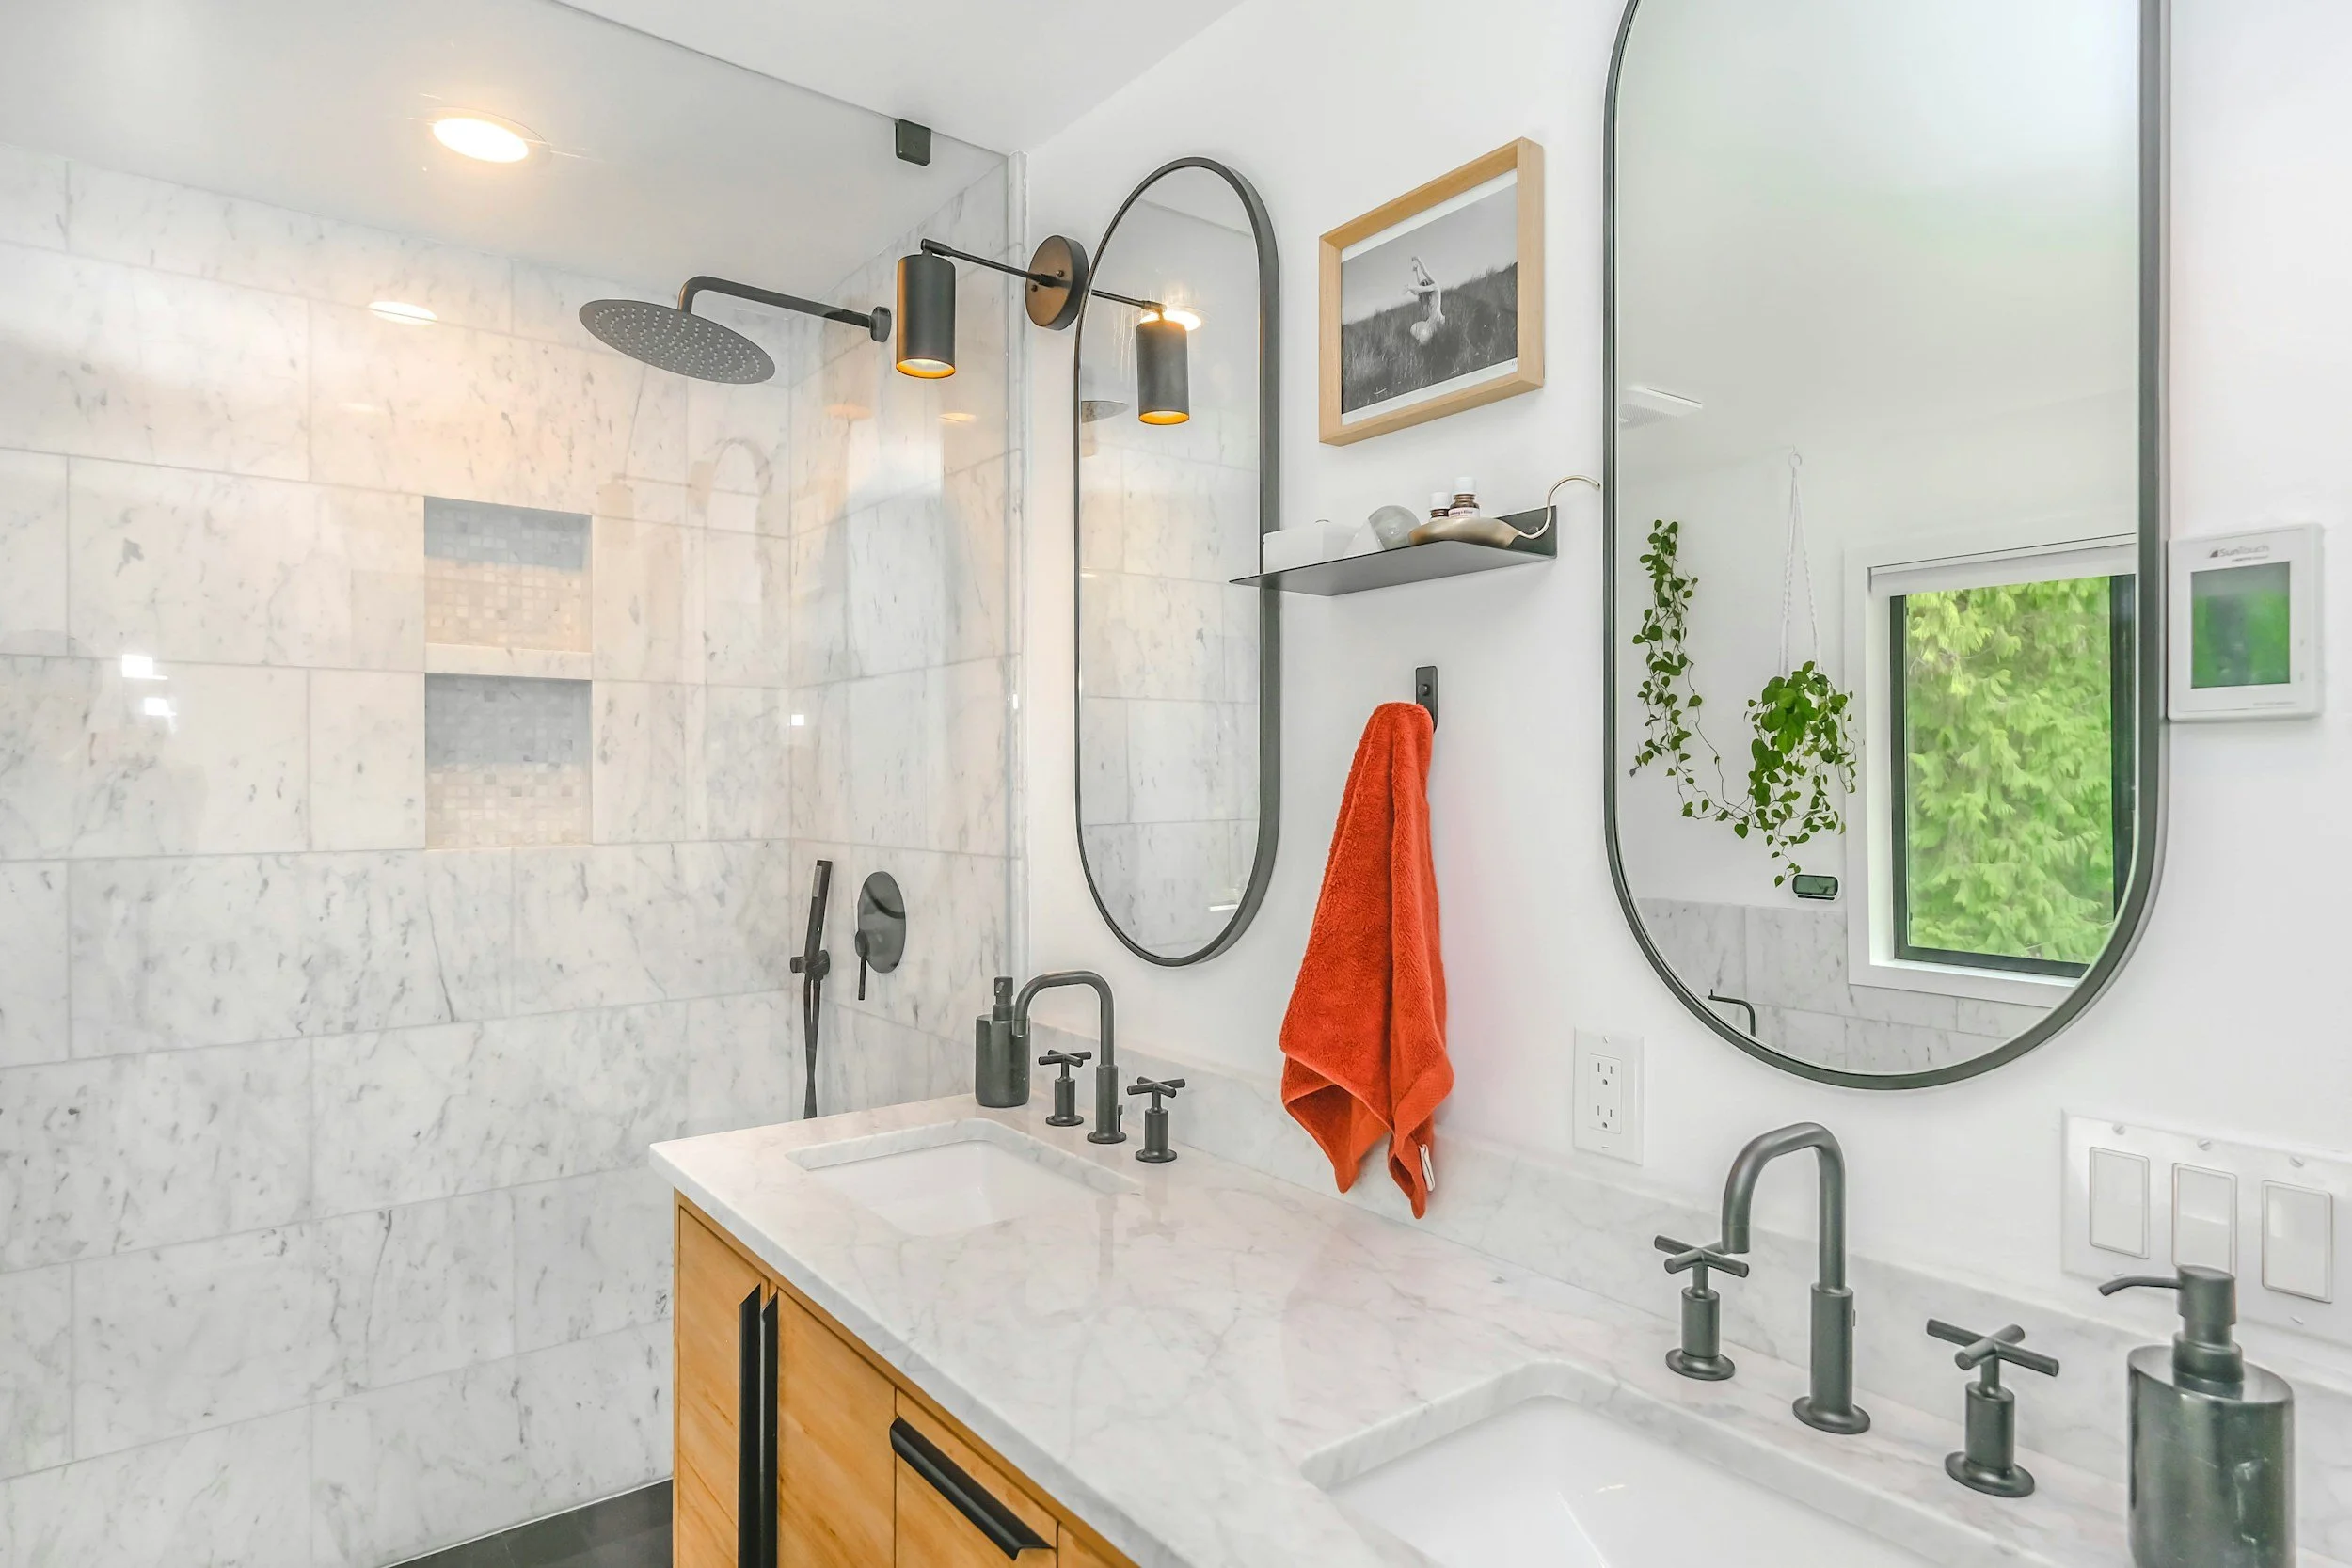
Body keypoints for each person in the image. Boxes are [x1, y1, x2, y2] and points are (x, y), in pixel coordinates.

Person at [1406, 257, 1445, 345]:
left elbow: (1425, 273)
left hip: (1438, 321)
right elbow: (1420, 286)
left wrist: (1418, 258)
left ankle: (1431, 344)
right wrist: (1417, 271)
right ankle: (1427, 343)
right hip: (1430, 322)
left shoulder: (1435, 287)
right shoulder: (1429, 294)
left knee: (1425, 340)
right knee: (1414, 330)